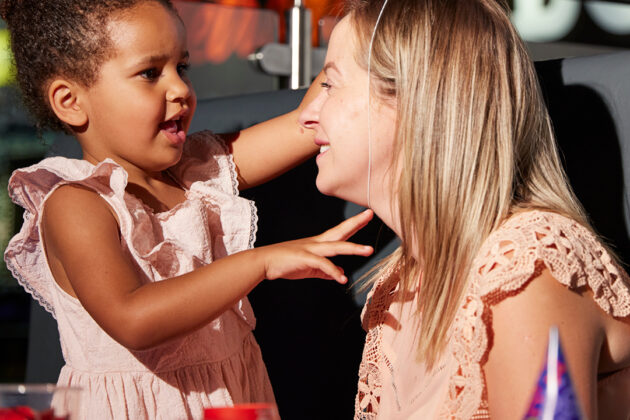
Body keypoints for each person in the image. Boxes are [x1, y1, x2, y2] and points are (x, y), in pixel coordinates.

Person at [0, 0, 375, 418]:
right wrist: (260, 263)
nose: (179, 88)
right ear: (70, 101)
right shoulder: (76, 203)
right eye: (149, 73)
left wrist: (366, 23)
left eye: (182, 67)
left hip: (232, 396)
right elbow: (134, 318)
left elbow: (304, 124)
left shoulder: (199, 170)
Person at [298, 0, 630, 418]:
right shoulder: (395, 289)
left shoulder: (526, 264)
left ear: (413, 99)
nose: (306, 118)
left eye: (329, 84)